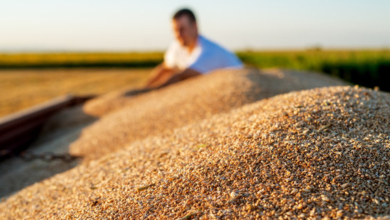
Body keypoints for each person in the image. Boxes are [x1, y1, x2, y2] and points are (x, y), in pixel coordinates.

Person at [144, 8, 243, 89]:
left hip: (239, 84)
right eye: (175, 30)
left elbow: (183, 76)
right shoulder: (178, 46)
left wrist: (152, 91)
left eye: (182, 29)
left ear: (194, 26)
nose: (178, 35)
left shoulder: (208, 51)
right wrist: (145, 87)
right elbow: (166, 68)